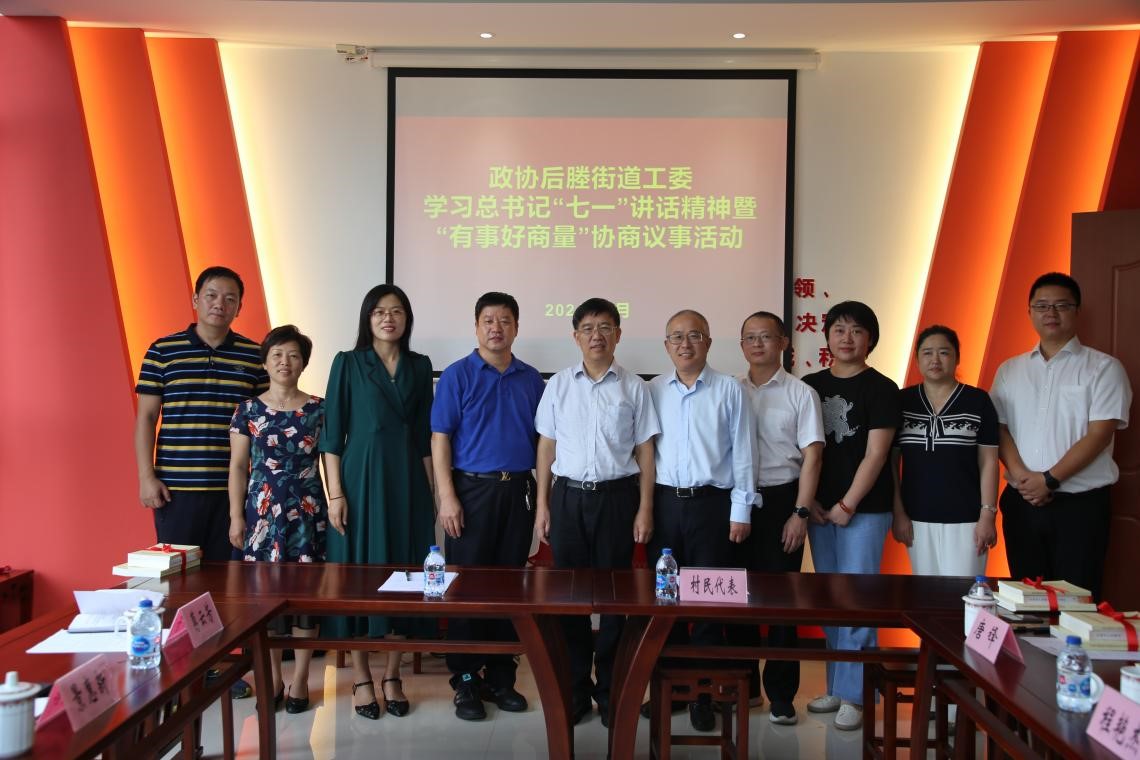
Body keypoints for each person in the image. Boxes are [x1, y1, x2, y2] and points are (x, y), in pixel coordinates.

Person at [134, 265, 267, 700]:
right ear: (195, 300)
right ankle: (177, 672)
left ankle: (217, 667)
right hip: (177, 489)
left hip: (234, 493)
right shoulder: (163, 351)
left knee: (227, 585)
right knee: (179, 583)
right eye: (211, 295)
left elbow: (262, 421)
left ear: (239, 307)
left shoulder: (253, 356)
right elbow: (146, 418)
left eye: (230, 298)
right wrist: (146, 476)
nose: (219, 304)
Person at [533, 298, 660, 728]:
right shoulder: (558, 385)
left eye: (605, 327)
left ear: (618, 334)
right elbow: (546, 448)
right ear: (575, 337)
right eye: (587, 328)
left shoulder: (634, 387)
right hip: (568, 499)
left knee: (614, 601)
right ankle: (574, 690)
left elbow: (646, 451)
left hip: (617, 499)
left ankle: (610, 692)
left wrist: (645, 508)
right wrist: (543, 505)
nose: (596, 335)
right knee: (568, 599)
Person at [319, 284, 437, 720]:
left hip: (407, 480)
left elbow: (425, 437)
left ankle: (392, 675)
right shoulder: (348, 363)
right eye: (380, 312)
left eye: (397, 311)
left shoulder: (420, 366)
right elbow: (332, 438)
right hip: (360, 479)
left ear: (407, 319)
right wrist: (335, 494)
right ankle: (362, 677)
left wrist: (433, 494)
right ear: (367, 318)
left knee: (405, 574)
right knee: (359, 579)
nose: (389, 318)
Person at [431, 292, 546, 722]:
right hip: (471, 492)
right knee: (467, 587)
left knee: (510, 587)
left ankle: (501, 677)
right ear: (476, 326)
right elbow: (440, 439)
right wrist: (447, 497)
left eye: (505, 320)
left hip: (518, 492)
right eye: (488, 320)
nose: (496, 327)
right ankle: (465, 679)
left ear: (516, 327)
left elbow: (543, 444)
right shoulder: (457, 375)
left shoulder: (532, 379)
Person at [990, 272, 1131, 600]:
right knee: (1025, 600)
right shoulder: (1010, 370)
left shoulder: (1104, 368)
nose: (1050, 313)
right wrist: (1024, 479)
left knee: (1077, 601)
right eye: (1041, 306)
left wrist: (1049, 480)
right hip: (1022, 503)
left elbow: (1099, 434)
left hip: (1079, 507)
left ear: (1077, 311)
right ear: (1029, 312)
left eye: (1061, 305)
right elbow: (999, 428)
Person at [646, 309, 755, 732]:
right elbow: (644, 454)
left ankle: (703, 694)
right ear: (665, 345)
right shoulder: (653, 390)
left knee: (710, 600)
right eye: (676, 337)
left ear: (708, 342)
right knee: (665, 599)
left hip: (713, 506)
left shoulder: (730, 389)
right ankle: (672, 690)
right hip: (665, 506)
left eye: (694, 336)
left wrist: (740, 511)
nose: (685, 344)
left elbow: (744, 453)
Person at [802, 300, 900, 731]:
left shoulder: (882, 388)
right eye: (839, 329)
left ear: (870, 340)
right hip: (819, 511)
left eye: (857, 331)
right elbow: (802, 450)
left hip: (864, 509)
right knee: (830, 598)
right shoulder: (809, 385)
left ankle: (856, 694)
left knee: (857, 597)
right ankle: (837, 685)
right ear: (826, 336)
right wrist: (810, 502)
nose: (847, 338)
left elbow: (877, 454)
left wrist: (848, 504)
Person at [727, 311, 823, 726]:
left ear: (783, 342)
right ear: (741, 345)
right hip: (736, 502)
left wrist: (800, 512)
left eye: (766, 336)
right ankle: (744, 686)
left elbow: (813, 457)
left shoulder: (801, 393)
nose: (757, 344)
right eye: (750, 337)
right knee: (737, 597)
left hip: (783, 499)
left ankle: (782, 694)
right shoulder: (729, 389)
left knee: (782, 601)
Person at [227, 325, 326, 714]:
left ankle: (300, 679)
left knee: (306, 599)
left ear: (303, 363)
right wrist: (236, 516)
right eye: (277, 355)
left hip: (308, 513)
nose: (285, 362)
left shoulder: (319, 409)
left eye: (294, 355)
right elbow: (238, 467)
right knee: (264, 602)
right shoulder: (247, 411)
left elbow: (331, 463)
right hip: (262, 516)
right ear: (266, 362)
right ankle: (271, 678)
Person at [892, 325, 999, 577]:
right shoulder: (901, 402)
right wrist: (898, 513)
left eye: (944, 352)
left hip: (967, 519)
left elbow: (989, 462)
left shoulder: (978, 401)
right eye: (927, 353)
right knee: (924, 593)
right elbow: (891, 464)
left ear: (957, 357)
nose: (935, 360)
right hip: (916, 518)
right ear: (917, 359)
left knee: (966, 593)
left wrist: (987, 515)